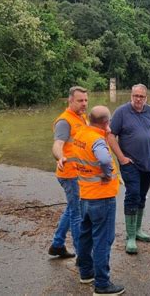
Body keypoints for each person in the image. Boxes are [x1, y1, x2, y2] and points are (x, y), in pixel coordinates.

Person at [74, 105, 124, 295]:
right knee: (103, 240)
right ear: (105, 123)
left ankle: (86, 273)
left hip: (85, 195)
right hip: (102, 198)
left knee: (86, 236)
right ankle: (102, 284)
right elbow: (104, 159)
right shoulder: (98, 141)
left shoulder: (81, 134)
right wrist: (108, 172)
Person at [107, 84, 150, 255]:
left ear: (146, 97)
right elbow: (110, 135)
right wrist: (121, 158)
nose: (138, 99)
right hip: (130, 164)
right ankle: (130, 237)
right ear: (131, 95)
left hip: (148, 163)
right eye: (135, 95)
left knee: (141, 196)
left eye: (141, 96)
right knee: (133, 194)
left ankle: (137, 230)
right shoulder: (121, 112)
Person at [48, 86, 88, 259]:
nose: (84, 104)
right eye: (80, 101)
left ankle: (57, 244)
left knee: (72, 208)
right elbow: (57, 144)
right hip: (69, 174)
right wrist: (60, 157)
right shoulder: (64, 121)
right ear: (70, 101)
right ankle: (83, 258)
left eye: (86, 100)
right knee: (77, 214)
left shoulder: (81, 118)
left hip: (79, 173)